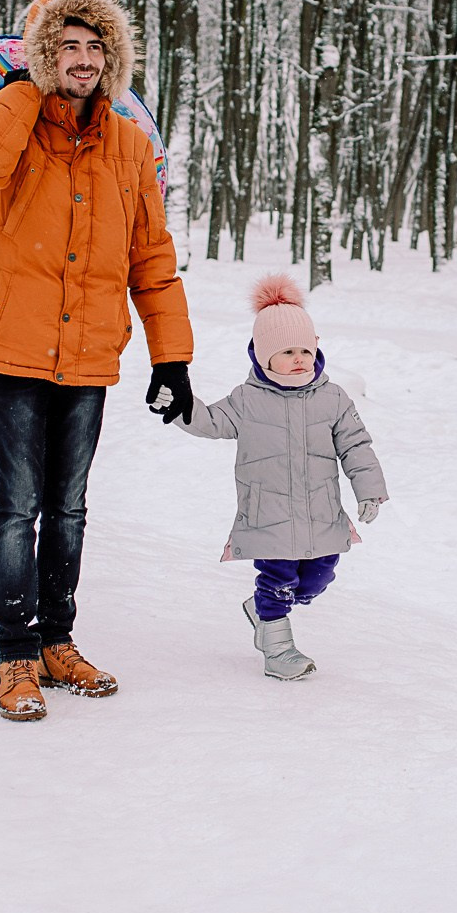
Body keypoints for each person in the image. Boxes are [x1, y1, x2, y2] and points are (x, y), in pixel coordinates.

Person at [0, 0, 194, 721]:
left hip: (89, 351)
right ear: (44, 56)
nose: (83, 61)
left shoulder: (128, 144)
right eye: (68, 47)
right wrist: (26, 89)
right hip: (14, 345)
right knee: (16, 504)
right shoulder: (5, 122)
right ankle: (15, 654)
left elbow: (151, 254)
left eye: (95, 48)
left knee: (68, 509)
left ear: (111, 59)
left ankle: (58, 641)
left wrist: (171, 357)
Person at [177, 274, 387, 680]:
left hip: (321, 512)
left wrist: (370, 491)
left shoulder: (333, 398)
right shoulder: (247, 398)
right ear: (262, 355)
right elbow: (213, 421)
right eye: (288, 351)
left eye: (306, 350)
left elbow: (356, 446)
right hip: (267, 511)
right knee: (277, 578)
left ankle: (260, 609)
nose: (299, 359)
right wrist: (182, 406)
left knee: (317, 577)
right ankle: (278, 648)